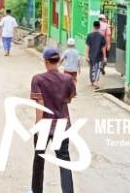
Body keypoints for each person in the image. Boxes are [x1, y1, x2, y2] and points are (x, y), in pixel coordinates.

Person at [30, 48, 76, 193]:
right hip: (62, 124)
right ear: (58, 60)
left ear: (46, 61)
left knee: (39, 159)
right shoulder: (67, 79)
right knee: (64, 161)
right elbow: (69, 99)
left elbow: (40, 104)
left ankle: (36, 190)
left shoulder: (38, 79)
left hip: (44, 125)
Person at [86, 20, 107, 88]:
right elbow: (103, 47)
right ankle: (96, 82)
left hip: (91, 55)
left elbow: (88, 46)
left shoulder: (89, 35)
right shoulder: (101, 36)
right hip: (99, 55)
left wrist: (87, 55)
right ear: (99, 27)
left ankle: (92, 81)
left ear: (93, 26)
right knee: (97, 68)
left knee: (92, 68)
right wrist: (104, 56)